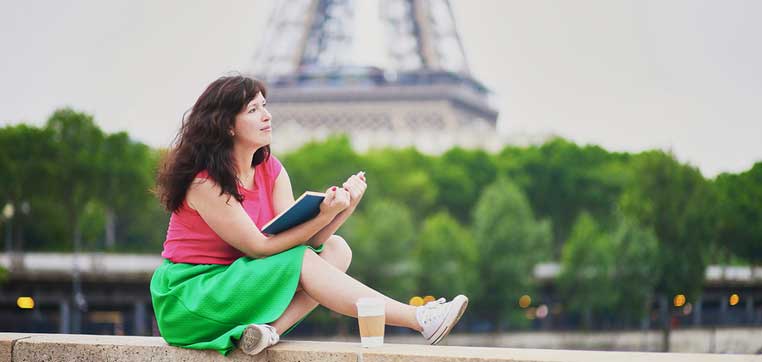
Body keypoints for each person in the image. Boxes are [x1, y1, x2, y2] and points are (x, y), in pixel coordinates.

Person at [150, 74, 468, 356]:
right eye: (253, 110)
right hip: (191, 295)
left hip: (237, 281)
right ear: (227, 126)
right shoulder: (205, 183)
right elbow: (260, 247)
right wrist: (322, 215)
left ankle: (269, 331)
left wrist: (343, 210)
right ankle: (418, 319)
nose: (267, 115)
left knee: (337, 248)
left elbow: (303, 242)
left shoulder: (270, 170)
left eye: (265, 105)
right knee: (301, 258)